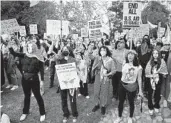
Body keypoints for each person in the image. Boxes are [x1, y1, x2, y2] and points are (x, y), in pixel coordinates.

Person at [9, 42, 46, 122]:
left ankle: (42, 113)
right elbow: (13, 53)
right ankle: (25, 112)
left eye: (31, 47)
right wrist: (9, 46)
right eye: (28, 47)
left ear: (34, 47)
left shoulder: (38, 57)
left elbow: (41, 70)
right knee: (27, 96)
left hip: (34, 79)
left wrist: (42, 80)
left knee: (38, 96)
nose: (29, 49)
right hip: (25, 79)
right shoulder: (24, 55)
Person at [114, 50, 143, 123]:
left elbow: (139, 78)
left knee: (131, 102)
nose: (130, 55)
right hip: (122, 85)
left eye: (132, 54)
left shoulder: (138, 66)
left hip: (132, 86)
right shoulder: (124, 63)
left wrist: (140, 90)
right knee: (121, 102)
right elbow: (116, 57)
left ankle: (130, 117)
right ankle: (119, 117)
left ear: (135, 56)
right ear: (127, 56)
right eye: (129, 54)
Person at [54, 45, 78, 123]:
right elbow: (55, 58)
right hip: (63, 83)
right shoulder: (59, 60)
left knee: (72, 99)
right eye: (63, 49)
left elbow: (77, 69)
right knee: (63, 99)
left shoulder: (73, 59)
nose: (65, 50)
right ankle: (65, 114)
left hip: (71, 83)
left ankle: (74, 114)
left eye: (66, 49)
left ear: (69, 51)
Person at [92, 46, 116, 115]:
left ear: (107, 51)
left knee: (104, 92)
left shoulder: (110, 60)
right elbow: (93, 67)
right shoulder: (97, 58)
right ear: (99, 51)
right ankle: (96, 104)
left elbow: (114, 70)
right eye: (101, 50)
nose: (102, 51)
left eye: (104, 50)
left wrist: (108, 74)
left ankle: (103, 106)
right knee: (96, 92)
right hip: (97, 77)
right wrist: (96, 67)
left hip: (106, 78)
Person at [145, 49, 168, 115]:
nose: (155, 55)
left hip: (159, 79)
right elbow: (147, 71)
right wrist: (152, 75)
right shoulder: (150, 62)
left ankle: (156, 105)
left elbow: (164, 70)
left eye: (157, 53)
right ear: (152, 54)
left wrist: (163, 74)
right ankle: (150, 107)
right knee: (150, 93)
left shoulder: (162, 61)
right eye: (154, 53)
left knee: (158, 93)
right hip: (151, 79)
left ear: (159, 54)